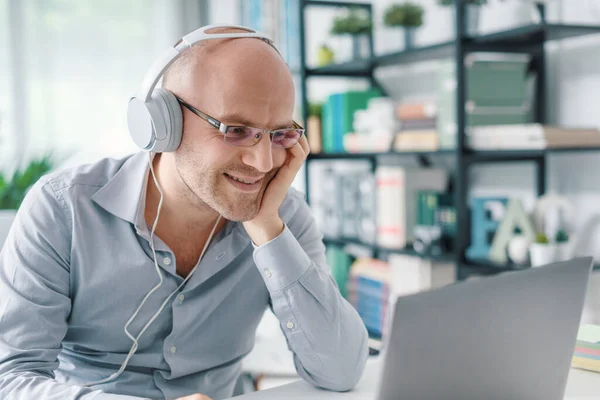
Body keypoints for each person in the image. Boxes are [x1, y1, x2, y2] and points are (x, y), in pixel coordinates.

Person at [0, 24, 369, 400]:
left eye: (278, 135)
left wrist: (265, 226)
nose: (262, 163)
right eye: (236, 130)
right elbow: (10, 378)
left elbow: (340, 373)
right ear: (164, 123)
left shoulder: (282, 215)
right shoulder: (62, 210)